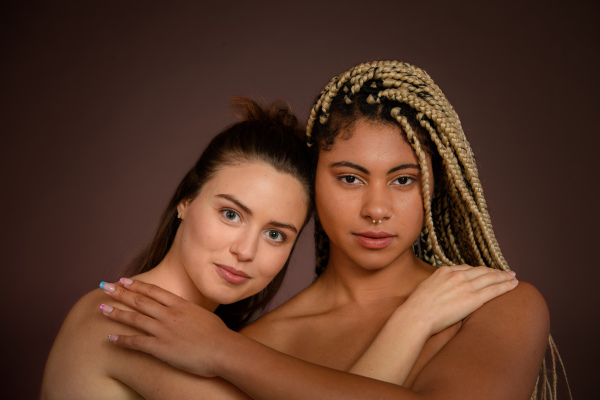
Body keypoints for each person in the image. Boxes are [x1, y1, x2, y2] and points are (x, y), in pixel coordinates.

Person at [94, 61, 557, 399]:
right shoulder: (259, 341)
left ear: (433, 187)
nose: (377, 208)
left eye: (403, 180)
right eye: (350, 178)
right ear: (312, 183)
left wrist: (223, 353)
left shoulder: (495, 305)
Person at [40, 98, 315, 399]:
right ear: (186, 201)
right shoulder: (119, 318)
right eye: (231, 214)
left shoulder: (204, 341)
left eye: (275, 234)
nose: (246, 251)